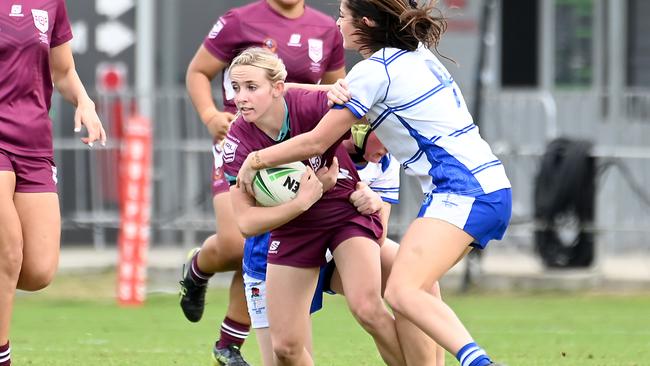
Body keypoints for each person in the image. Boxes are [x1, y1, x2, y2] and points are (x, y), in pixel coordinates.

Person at [235, 1, 512, 366]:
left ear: (364, 22)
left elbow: (317, 141)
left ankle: (478, 362)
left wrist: (256, 160)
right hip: (485, 186)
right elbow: (341, 94)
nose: (337, 22)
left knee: (402, 291)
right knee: (416, 288)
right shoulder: (415, 55)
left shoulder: (374, 72)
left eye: (342, 15)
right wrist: (309, 89)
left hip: (462, 191)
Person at [182, 1, 345, 365]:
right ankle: (198, 268)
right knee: (235, 241)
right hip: (241, 147)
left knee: (268, 243)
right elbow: (197, 71)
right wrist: (211, 115)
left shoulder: (326, 28)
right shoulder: (239, 20)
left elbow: (335, 95)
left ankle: (229, 341)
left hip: (294, 152)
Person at [224, 47, 406, 366]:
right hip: (294, 229)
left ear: (278, 88)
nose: (241, 97)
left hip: (343, 215)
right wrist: (302, 202)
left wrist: (328, 89)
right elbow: (246, 223)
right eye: (235, 88)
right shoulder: (237, 142)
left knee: (368, 307)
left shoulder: (309, 105)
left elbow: (370, 107)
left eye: (251, 87)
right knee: (286, 349)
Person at [0, 1, 106, 365]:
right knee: (7, 252)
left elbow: (62, 71)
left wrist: (85, 102)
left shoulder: (51, 4)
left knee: (37, 271)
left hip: (32, 144)